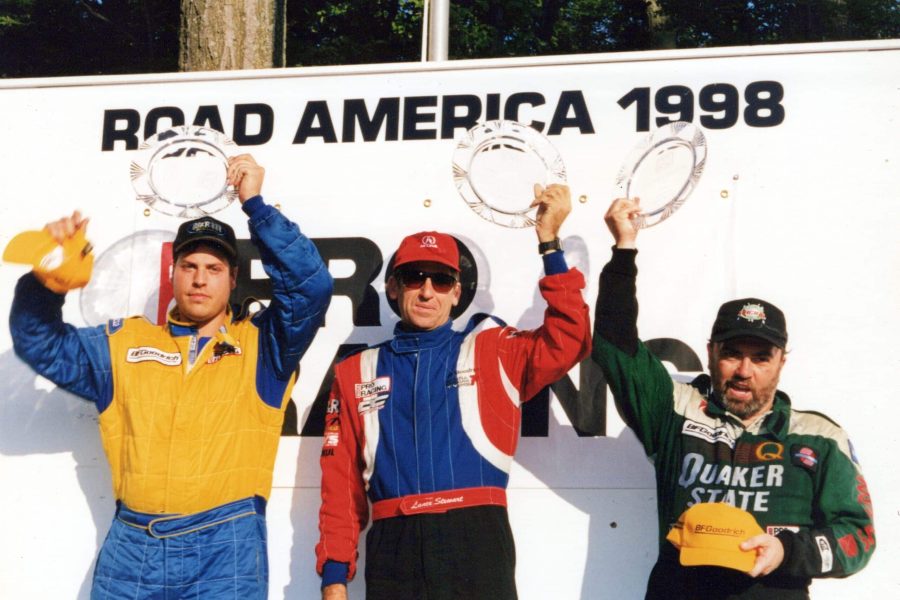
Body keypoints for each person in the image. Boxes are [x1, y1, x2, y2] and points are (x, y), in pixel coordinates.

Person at [8, 154, 333, 599]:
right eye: (190, 266)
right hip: (132, 545)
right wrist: (46, 285)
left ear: (233, 279)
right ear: (173, 272)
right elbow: (39, 343)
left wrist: (255, 205)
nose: (200, 279)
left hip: (227, 547)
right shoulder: (122, 344)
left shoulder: (264, 347)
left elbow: (311, 288)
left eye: (214, 269)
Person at [316, 184, 591, 600]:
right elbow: (340, 485)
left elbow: (569, 338)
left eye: (441, 280)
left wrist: (550, 244)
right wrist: (335, 575)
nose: (427, 291)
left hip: (476, 540)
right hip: (394, 543)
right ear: (393, 288)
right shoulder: (355, 371)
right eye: (414, 278)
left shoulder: (492, 348)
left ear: (457, 293)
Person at [592, 198, 875, 599]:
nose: (745, 370)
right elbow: (614, 346)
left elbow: (858, 537)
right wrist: (624, 248)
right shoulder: (673, 410)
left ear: (781, 362)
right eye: (732, 354)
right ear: (710, 353)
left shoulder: (820, 436)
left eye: (761, 358)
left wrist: (785, 551)